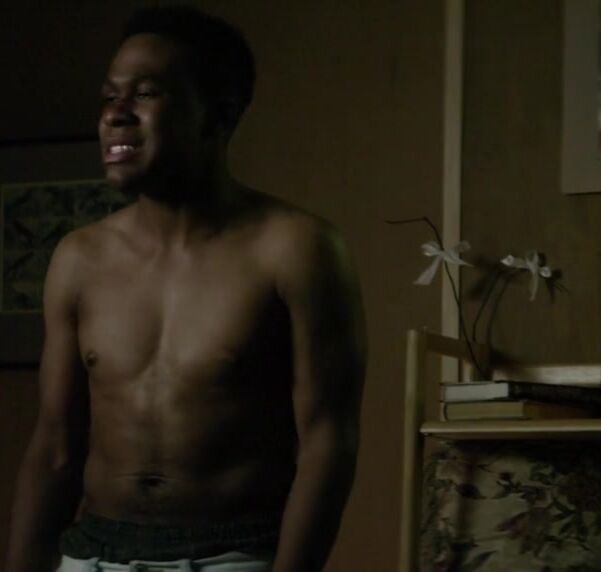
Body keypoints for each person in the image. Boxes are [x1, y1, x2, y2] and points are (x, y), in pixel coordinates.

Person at [4, 6, 366, 571]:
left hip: (232, 556)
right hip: (92, 555)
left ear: (218, 114)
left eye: (146, 93)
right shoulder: (79, 258)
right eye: (109, 97)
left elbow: (328, 442)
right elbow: (54, 446)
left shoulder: (296, 248)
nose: (116, 115)